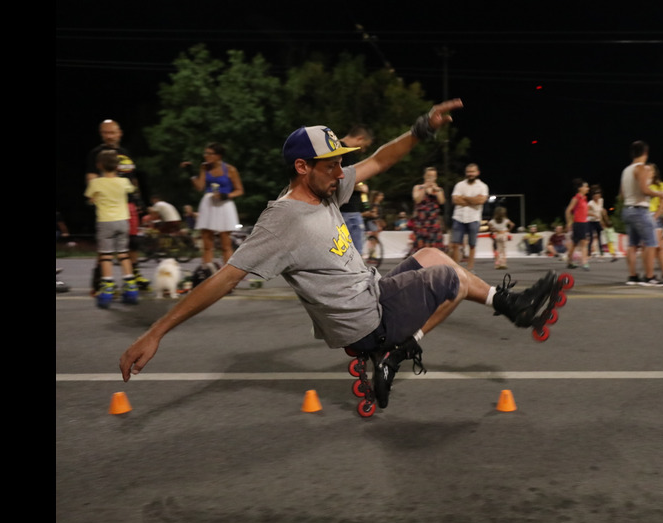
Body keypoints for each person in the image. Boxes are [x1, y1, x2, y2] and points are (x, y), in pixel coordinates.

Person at [119, 100, 567, 412]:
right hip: (365, 321)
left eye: (339, 163)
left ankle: (510, 308)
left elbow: (378, 161)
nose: (341, 172)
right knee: (448, 278)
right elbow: (224, 279)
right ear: (302, 167)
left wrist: (420, 128)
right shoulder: (283, 221)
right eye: (331, 164)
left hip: (371, 293)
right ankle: (401, 350)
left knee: (432, 253)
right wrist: (156, 332)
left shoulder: (327, 187)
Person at [86, 119, 148, 287]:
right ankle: (99, 278)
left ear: (119, 133)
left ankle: (134, 275)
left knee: (132, 242)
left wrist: (139, 200)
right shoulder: (97, 153)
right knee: (106, 245)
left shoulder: (125, 152)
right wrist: (96, 198)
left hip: (129, 204)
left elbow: (132, 178)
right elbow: (91, 176)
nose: (109, 136)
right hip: (109, 205)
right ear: (101, 134)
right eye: (105, 132)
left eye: (112, 132)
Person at [84, 149, 139, 308]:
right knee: (123, 254)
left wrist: (95, 200)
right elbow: (131, 190)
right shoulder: (123, 182)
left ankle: (107, 288)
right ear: (117, 166)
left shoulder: (96, 183)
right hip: (123, 221)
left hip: (105, 222)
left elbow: (90, 199)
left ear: (99, 165)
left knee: (106, 256)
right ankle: (131, 287)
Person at [186, 142, 245, 265]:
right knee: (207, 244)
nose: (205, 156)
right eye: (205, 153)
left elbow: (239, 190)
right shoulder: (205, 167)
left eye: (209, 153)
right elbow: (199, 187)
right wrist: (190, 172)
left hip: (224, 204)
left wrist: (226, 195)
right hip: (209, 204)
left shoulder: (230, 169)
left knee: (225, 245)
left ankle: (227, 277)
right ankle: (207, 273)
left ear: (218, 156)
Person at [619, 141, 663, 287]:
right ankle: (649, 277)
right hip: (640, 210)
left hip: (627, 209)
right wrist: (659, 194)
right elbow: (644, 189)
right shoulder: (641, 168)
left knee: (632, 245)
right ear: (645, 153)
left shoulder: (626, 170)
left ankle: (632, 276)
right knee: (651, 243)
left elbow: (621, 195)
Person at [337, 126, 375, 251]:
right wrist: (360, 187)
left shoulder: (335, 148)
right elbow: (340, 180)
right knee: (356, 255)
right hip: (349, 211)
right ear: (360, 138)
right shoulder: (347, 153)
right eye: (365, 145)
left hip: (338, 210)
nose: (363, 150)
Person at [449, 163, 488, 270]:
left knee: (472, 245)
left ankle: (470, 269)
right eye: (468, 172)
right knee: (455, 244)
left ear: (477, 173)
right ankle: (455, 269)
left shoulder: (482, 186)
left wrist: (464, 198)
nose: (470, 174)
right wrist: (473, 200)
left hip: (474, 218)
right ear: (466, 173)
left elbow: (481, 201)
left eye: (473, 172)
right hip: (459, 217)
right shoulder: (459, 185)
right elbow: (455, 200)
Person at [411, 166, 447, 252]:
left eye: (433, 176)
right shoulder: (418, 187)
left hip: (433, 223)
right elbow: (417, 200)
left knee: (435, 249)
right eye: (429, 176)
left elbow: (442, 201)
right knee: (420, 249)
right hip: (421, 223)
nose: (431, 178)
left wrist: (436, 190)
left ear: (436, 177)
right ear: (424, 176)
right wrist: (424, 188)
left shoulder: (439, 189)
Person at [564, 178, 591, 270]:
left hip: (584, 223)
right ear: (580, 188)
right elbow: (568, 210)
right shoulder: (576, 198)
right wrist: (569, 222)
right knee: (584, 243)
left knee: (575, 244)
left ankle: (569, 261)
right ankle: (584, 263)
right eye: (586, 186)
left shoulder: (584, 199)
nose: (588, 188)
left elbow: (584, 212)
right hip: (578, 224)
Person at [586, 185, 606, 258]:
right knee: (591, 237)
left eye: (598, 195)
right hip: (590, 221)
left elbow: (601, 211)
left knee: (599, 236)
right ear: (593, 196)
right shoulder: (590, 203)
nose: (597, 197)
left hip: (597, 221)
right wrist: (594, 215)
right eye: (595, 196)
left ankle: (601, 252)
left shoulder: (601, 200)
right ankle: (588, 253)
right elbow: (586, 212)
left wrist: (602, 221)